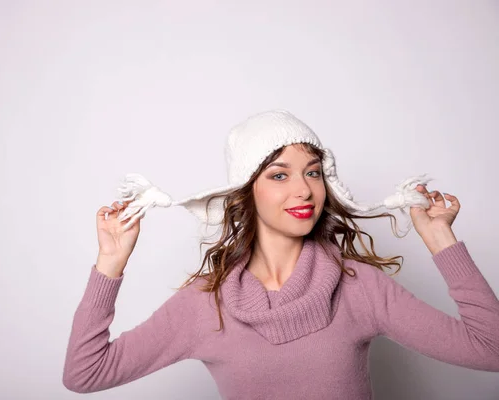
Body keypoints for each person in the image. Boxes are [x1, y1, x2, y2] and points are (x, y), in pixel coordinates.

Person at [62, 110, 499, 399]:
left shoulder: (358, 287)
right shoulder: (206, 303)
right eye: (279, 174)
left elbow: (491, 350)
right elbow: (85, 373)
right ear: (246, 191)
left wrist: (441, 239)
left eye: (312, 171)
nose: (303, 189)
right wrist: (111, 263)